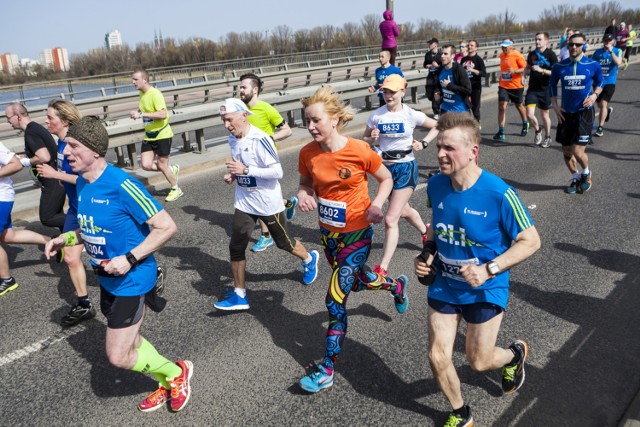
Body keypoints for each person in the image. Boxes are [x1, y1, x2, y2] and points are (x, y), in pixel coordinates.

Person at [44, 116, 192, 413]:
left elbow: (166, 226)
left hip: (132, 278)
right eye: (67, 145)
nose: (67, 152)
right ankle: (167, 378)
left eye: (73, 146)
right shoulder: (84, 183)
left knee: (118, 355)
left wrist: (129, 258)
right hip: (108, 278)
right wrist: (67, 239)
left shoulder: (124, 185)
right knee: (132, 341)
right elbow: (92, 230)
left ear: (94, 150)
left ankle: (176, 373)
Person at [414, 112, 541, 427]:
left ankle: (514, 354)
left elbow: (531, 240)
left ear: (473, 151)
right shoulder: (437, 185)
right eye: (439, 146)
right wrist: (427, 253)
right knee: (437, 355)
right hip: (445, 283)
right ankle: (461, 413)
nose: (441, 154)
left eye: (449, 148)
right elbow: (435, 229)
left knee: (479, 361)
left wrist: (489, 268)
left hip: (486, 286)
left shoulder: (498, 193)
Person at [296, 86, 409, 393]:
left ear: (334, 120)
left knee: (335, 299)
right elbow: (306, 183)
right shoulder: (308, 153)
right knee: (357, 281)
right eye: (307, 121)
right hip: (328, 234)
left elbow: (386, 178)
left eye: (316, 120)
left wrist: (377, 205)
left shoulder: (358, 150)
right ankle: (396, 286)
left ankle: (327, 368)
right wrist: (303, 193)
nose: (310, 127)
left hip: (358, 232)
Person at [215, 98, 320, 311]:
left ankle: (309, 259)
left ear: (243, 115)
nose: (226, 125)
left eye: (229, 120)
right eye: (223, 121)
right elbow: (241, 164)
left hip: (267, 202)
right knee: (236, 246)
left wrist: (245, 171)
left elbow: (277, 172)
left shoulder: (261, 139)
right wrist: (233, 174)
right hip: (245, 201)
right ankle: (240, 295)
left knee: (284, 242)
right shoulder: (233, 138)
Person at [363, 74, 438, 276]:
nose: (388, 95)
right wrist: (373, 137)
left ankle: (383, 268)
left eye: (392, 92)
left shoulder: (410, 114)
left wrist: (423, 143)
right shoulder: (376, 115)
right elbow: (365, 139)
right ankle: (426, 231)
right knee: (404, 210)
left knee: (391, 218)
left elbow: (436, 126)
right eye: (385, 91)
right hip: (385, 170)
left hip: (406, 168)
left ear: (402, 92)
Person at [36, 100, 96, 326]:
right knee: (71, 258)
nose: (46, 121)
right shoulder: (60, 144)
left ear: (64, 120)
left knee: (113, 252)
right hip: (74, 209)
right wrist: (61, 179)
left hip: (91, 206)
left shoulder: (76, 143)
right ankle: (84, 304)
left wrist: (56, 175)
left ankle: (150, 268)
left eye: (50, 117)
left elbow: (87, 178)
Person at [238, 73, 297, 252]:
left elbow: (287, 130)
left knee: (259, 197)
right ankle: (286, 203)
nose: (240, 90)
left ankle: (266, 236)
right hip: (248, 160)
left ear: (254, 90)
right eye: (239, 87)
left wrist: (270, 138)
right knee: (257, 195)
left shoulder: (266, 109)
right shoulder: (240, 108)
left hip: (267, 162)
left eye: (243, 87)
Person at [550, 33, 604, 195]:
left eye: (578, 45)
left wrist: (594, 96)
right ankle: (575, 177)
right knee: (566, 151)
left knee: (577, 151)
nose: (574, 47)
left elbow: (600, 82)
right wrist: (555, 105)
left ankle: (586, 173)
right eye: (571, 44)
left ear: (584, 45)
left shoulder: (592, 64)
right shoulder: (559, 67)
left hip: (584, 113)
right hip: (566, 114)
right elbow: (552, 85)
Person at [0, 143, 53, 297]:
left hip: (1, 198)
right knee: (7, 236)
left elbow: (15, 164)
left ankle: (7, 279)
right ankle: (53, 241)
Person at [5, 102, 66, 231]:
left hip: (52, 180)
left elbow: (44, 157)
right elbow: (41, 151)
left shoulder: (30, 132)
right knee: (58, 215)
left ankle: (86, 222)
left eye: (8, 117)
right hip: (56, 179)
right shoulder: (35, 128)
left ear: (18, 116)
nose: (8, 121)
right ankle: (71, 243)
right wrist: (23, 156)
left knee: (47, 218)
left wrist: (26, 162)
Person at [130, 69, 183, 202]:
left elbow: (162, 114)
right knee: (145, 165)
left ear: (144, 80)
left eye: (135, 79)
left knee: (161, 164)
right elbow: (147, 110)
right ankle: (171, 170)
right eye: (133, 79)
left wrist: (141, 115)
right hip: (149, 135)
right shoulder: (142, 94)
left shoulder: (155, 94)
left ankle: (176, 188)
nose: (133, 82)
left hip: (162, 134)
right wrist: (137, 112)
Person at [524, 32, 558, 148]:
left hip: (545, 89)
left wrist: (542, 70)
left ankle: (548, 137)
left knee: (544, 115)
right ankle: (538, 130)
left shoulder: (551, 55)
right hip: (533, 88)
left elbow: (555, 72)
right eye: (536, 39)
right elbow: (528, 67)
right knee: (529, 114)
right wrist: (524, 76)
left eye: (539, 39)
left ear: (546, 41)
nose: (537, 42)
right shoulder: (532, 54)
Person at [493, 38, 529, 141]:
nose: (503, 48)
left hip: (516, 86)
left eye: (506, 46)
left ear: (511, 46)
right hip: (504, 85)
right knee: (502, 107)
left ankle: (525, 123)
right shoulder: (501, 55)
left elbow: (526, 68)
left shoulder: (517, 55)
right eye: (502, 46)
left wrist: (515, 71)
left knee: (519, 105)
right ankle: (501, 131)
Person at [591, 33, 623, 137]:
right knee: (599, 105)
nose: (607, 42)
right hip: (598, 82)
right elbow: (592, 65)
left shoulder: (618, 51)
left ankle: (600, 128)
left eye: (609, 41)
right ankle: (607, 111)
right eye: (605, 41)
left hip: (610, 82)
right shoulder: (597, 52)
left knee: (603, 103)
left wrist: (611, 51)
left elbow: (618, 63)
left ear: (613, 41)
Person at [435, 44, 472, 114]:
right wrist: (437, 94)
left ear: (453, 56)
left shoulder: (459, 70)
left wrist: (449, 86)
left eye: (446, 54)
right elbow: (439, 87)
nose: (442, 56)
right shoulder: (440, 70)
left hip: (459, 111)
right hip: (445, 109)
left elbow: (468, 90)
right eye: (442, 53)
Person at [461, 39, 487, 125]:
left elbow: (483, 73)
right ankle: (468, 122)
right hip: (465, 86)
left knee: (475, 107)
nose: (469, 47)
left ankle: (477, 121)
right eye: (469, 45)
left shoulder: (478, 60)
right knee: (464, 104)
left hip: (475, 86)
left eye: (472, 45)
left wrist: (472, 70)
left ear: (476, 48)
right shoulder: (463, 59)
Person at [423, 38, 443, 119]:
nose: (429, 45)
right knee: (430, 95)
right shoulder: (427, 54)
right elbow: (424, 64)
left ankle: (436, 111)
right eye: (429, 43)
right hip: (430, 76)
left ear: (436, 44)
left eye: (431, 43)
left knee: (436, 94)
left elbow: (445, 66)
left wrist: (437, 66)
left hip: (438, 76)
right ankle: (439, 102)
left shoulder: (441, 54)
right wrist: (426, 66)